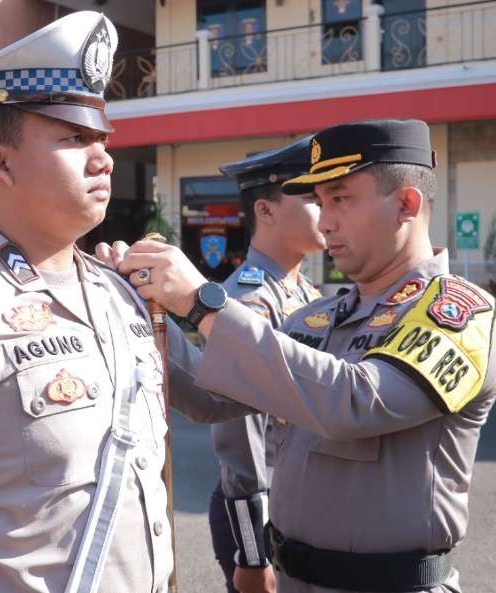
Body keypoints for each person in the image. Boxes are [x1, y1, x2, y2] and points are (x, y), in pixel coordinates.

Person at [0, 13, 237, 593]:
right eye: (73, 138)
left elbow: (223, 396)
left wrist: (205, 302)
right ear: (0, 160)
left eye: (101, 138)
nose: (103, 157)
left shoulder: (123, 295)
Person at [117, 119, 496, 593]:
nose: (325, 221)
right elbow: (213, 395)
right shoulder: (319, 315)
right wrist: (132, 305)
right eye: (320, 202)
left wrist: (203, 303)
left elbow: (351, 402)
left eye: (341, 198)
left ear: (407, 203)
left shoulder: (459, 314)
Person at [209, 137, 326, 593]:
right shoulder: (248, 300)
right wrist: (253, 552)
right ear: (266, 210)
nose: (328, 211)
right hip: (262, 510)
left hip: (301, 500)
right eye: (315, 200)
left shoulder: (306, 292)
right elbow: (240, 436)